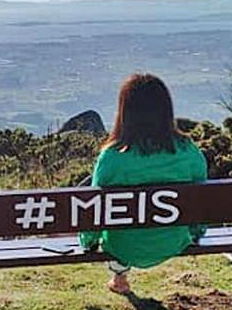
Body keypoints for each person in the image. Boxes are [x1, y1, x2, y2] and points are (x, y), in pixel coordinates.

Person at [80, 73, 208, 294]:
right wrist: (195, 234)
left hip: (123, 247)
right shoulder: (188, 150)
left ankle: (119, 277)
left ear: (125, 112)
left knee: (115, 232)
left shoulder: (112, 157)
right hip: (174, 241)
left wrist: (87, 242)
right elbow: (201, 200)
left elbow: (95, 211)